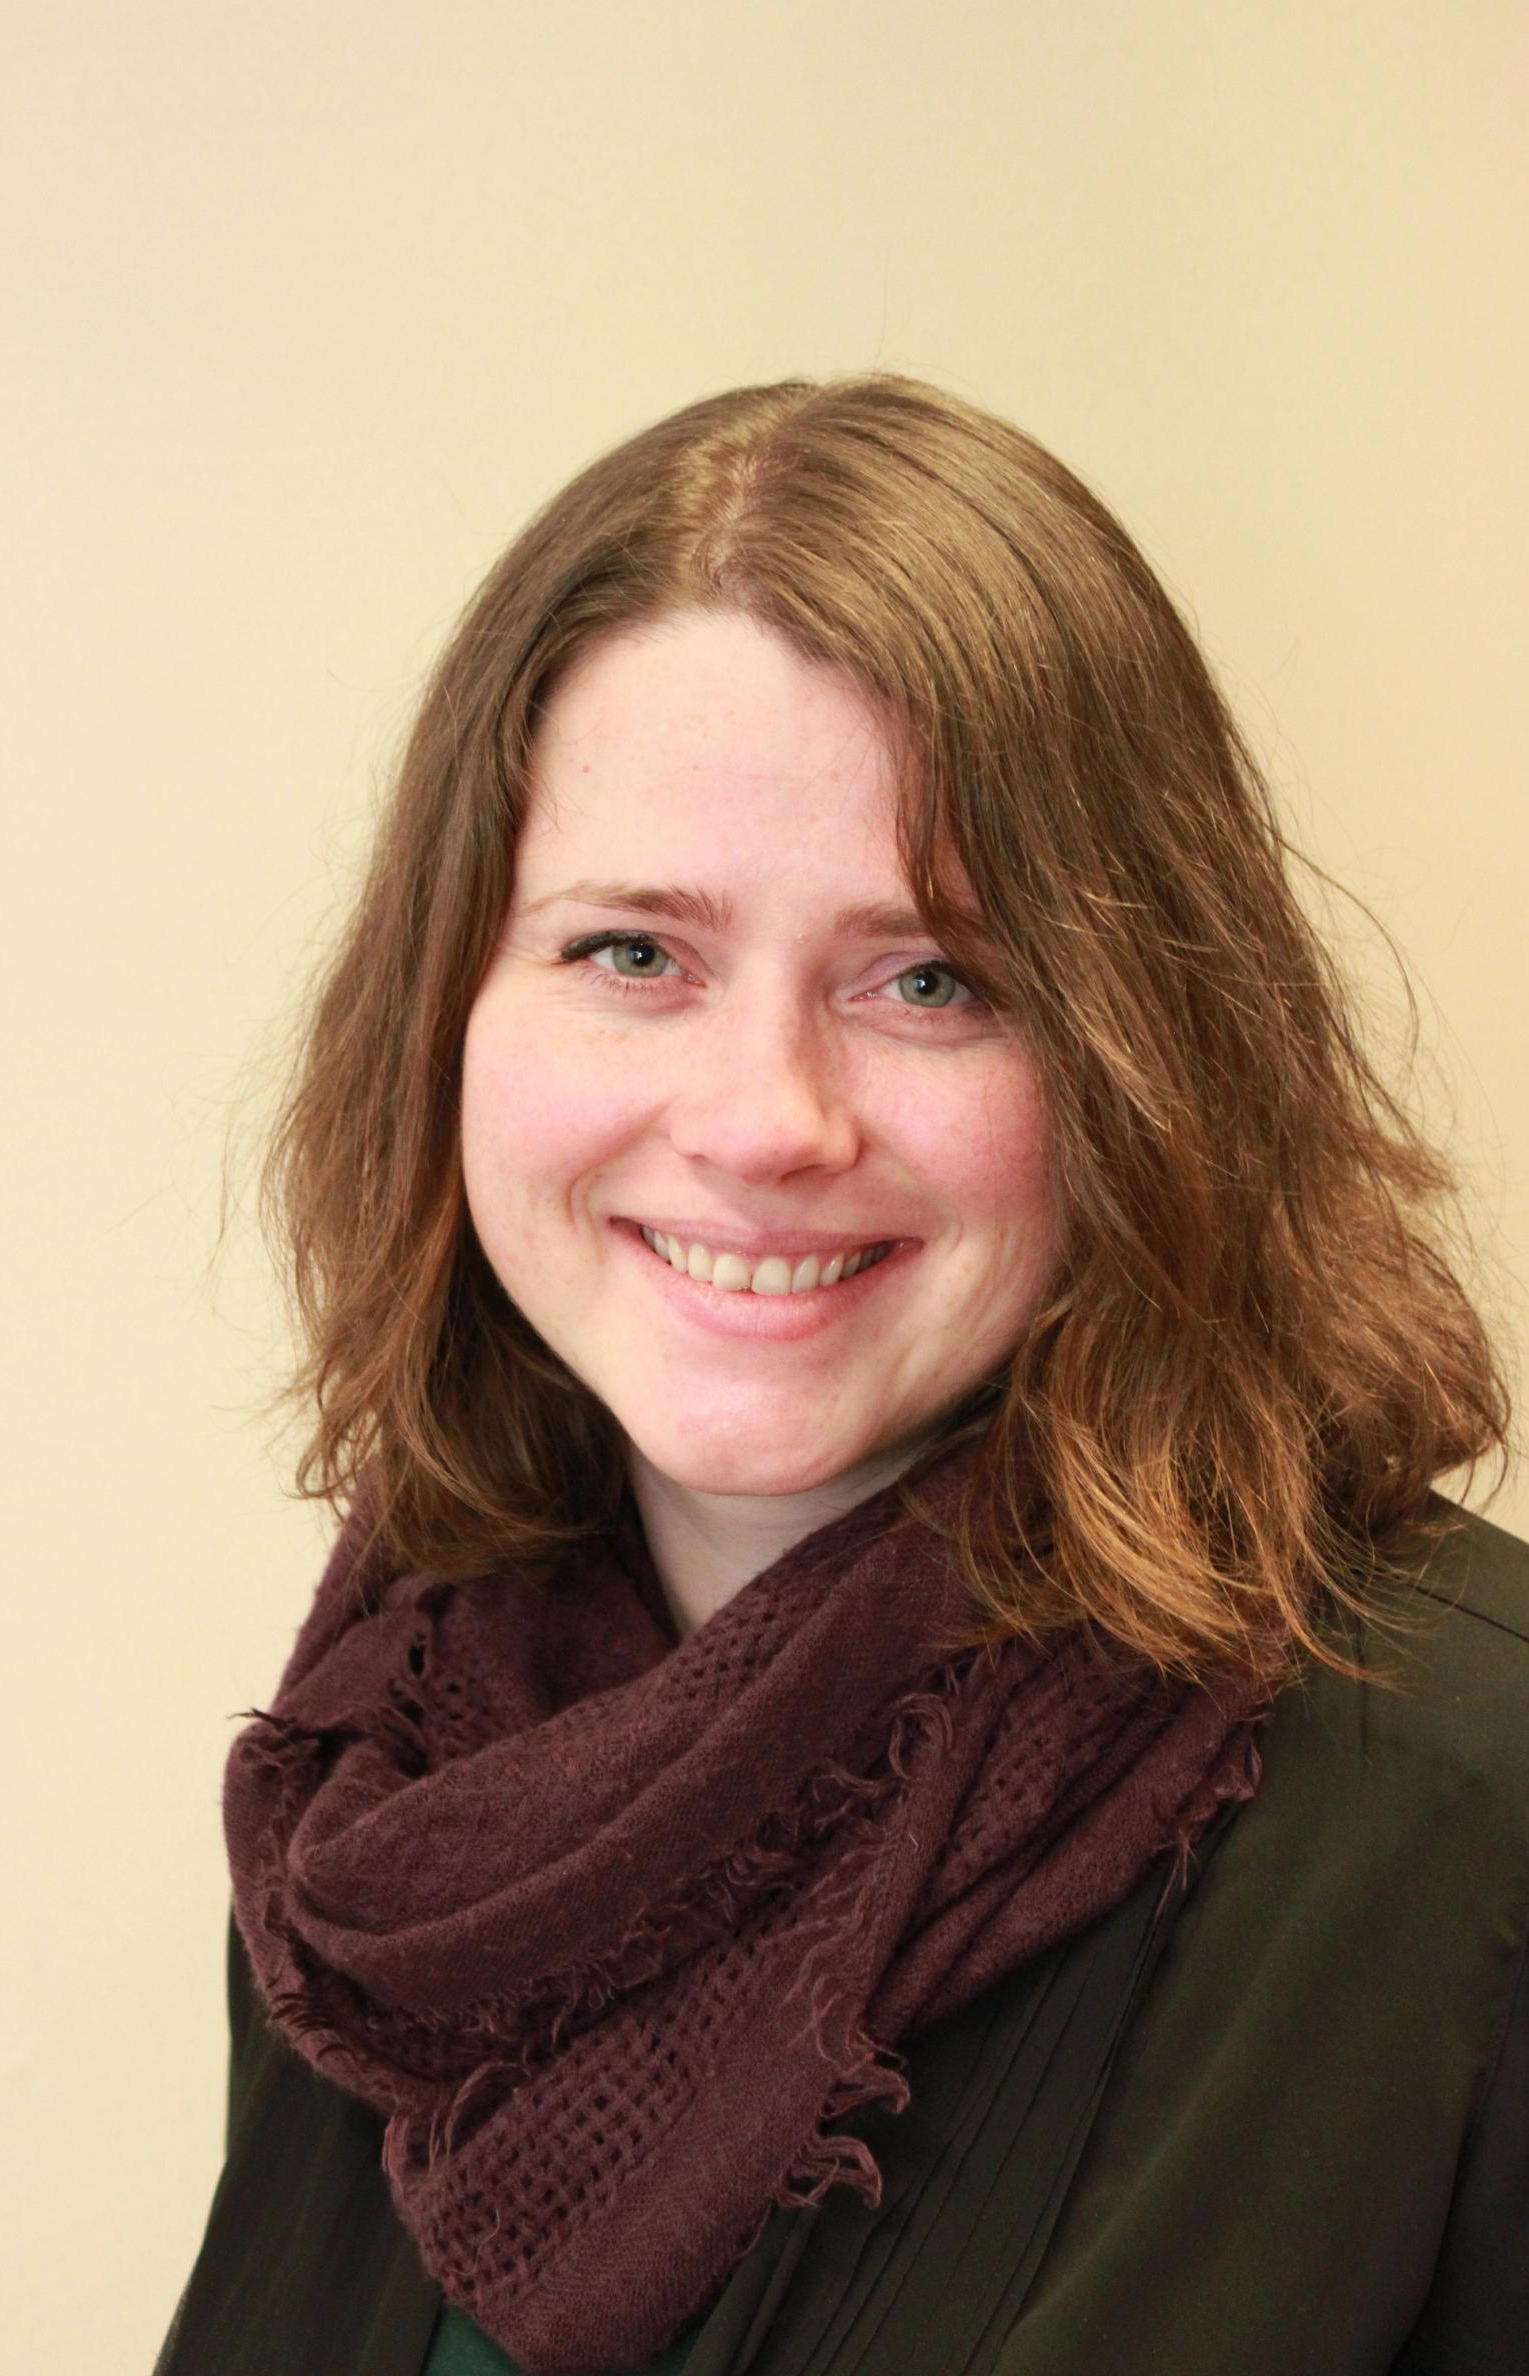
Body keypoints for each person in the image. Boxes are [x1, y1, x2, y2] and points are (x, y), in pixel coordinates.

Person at [154, 376, 1528, 2376]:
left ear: (1147, 1059)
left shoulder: (1460, 1827)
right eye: (635, 952)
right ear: (450, 1005)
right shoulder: (392, 1812)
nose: (767, 1118)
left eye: (933, 980)